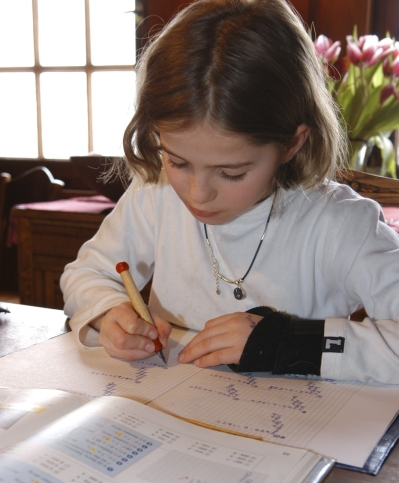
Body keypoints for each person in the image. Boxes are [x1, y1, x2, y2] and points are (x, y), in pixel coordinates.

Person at [61, 0, 399, 384]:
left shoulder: (340, 224)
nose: (197, 194)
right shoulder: (154, 193)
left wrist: (283, 343)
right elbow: (86, 273)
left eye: (231, 172)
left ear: (292, 143)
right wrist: (109, 313)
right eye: (178, 161)